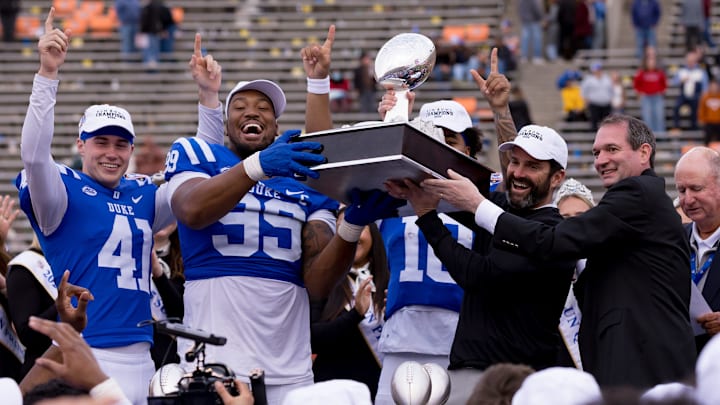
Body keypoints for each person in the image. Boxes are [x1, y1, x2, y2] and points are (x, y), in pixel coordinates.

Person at [164, 25, 402, 404]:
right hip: (217, 360)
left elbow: (319, 284)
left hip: (289, 364)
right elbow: (191, 211)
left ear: (276, 127)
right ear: (226, 124)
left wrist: (352, 227)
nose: (252, 113)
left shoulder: (297, 181)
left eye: (264, 109)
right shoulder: (201, 156)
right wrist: (257, 166)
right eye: (239, 107)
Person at [15, 11, 224, 402]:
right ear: (81, 145)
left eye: (120, 144)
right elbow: (34, 156)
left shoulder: (141, 194)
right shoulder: (61, 194)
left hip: (143, 354)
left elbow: (198, 176)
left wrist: (209, 100)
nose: (111, 153)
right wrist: (47, 74)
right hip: (86, 350)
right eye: (101, 142)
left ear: (131, 148)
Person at [430, 114, 696, 388]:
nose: (601, 160)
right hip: (636, 362)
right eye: (596, 152)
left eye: (612, 149)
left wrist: (465, 208)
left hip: (644, 365)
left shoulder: (638, 193)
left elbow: (551, 241)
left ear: (644, 153)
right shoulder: (635, 203)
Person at [381, 50, 576, 404]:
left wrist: (428, 218)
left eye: (533, 166)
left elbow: (479, 275)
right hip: (467, 371)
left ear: (558, 176)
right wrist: (396, 124)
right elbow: (443, 179)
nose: (517, 172)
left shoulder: (554, 233)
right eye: (514, 163)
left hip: (518, 380)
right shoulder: (502, 207)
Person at [310, 209, 388, 401]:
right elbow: (311, 338)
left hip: (381, 392)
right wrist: (355, 314)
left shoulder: (390, 279)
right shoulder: (323, 280)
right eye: (342, 229)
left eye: (358, 227)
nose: (351, 235)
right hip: (333, 394)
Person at [674, 147, 720, 354]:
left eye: (696, 188)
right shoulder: (670, 241)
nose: (688, 199)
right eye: (682, 190)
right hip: (677, 367)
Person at [672, 49, 708, 131]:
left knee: (695, 109)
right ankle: (676, 127)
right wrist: (681, 80)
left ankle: (694, 129)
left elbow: (704, 86)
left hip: (695, 96)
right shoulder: (682, 70)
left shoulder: (700, 71)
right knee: (677, 106)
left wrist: (703, 95)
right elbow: (674, 81)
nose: (690, 62)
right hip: (684, 95)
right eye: (689, 61)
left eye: (692, 61)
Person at [633, 47, 667, 133]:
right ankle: (649, 136)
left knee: (659, 117)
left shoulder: (659, 72)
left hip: (657, 97)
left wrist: (662, 90)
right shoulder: (641, 72)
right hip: (646, 97)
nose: (651, 63)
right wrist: (639, 92)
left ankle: (661, 136)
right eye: (650, 61)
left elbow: (664, 83)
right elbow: (636, 83)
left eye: (653, 61)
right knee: (647, 117)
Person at [139, 0, 173, 70]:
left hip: (152, 32)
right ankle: (151, 64)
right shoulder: (148, 7)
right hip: (150, 32)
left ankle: (152, 65)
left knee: (152, 49)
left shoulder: (152, 7)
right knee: (150, 49)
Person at [581, 61, 614, 131]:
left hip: (606, 104)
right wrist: (586, 100)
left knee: (607, 122)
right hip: (594, 104)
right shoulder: (588, 79)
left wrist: (611, 99)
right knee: (594, 122)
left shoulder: (607, 78)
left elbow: (611, 90)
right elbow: (584, 91)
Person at [517, 0, 545, 64]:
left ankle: (524, 57)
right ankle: (537, 57)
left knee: (525, 39)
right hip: (534, 20)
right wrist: (541, 18)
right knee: (537, 39)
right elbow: (537, 8)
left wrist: (522, 17)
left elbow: (519, 9)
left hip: (525, 20)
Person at [698, 79, 720, 145]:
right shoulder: (705, 97)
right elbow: (701, 109)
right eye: (712, 86)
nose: (714, 88)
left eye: (715, 86)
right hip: (709, 122)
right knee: (707, 140)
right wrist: (701, 119)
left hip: (719, 122)